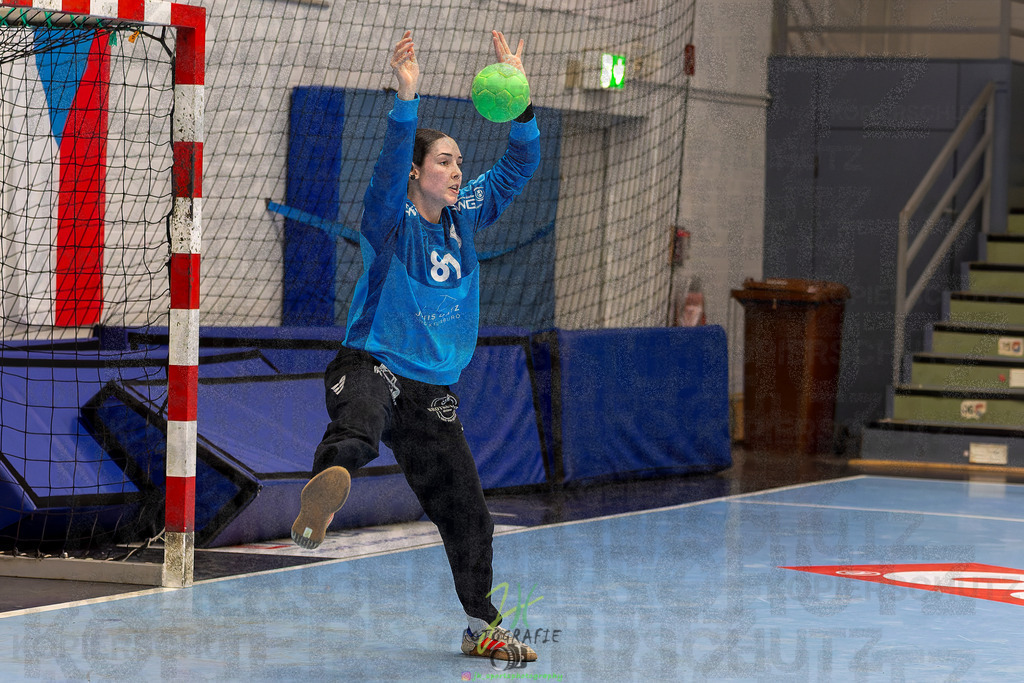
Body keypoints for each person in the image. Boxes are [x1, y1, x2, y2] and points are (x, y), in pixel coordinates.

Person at [290, 29, 541, 663]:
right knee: (361, 423)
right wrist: (407, 100)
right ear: (415, 174)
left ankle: (482, 624)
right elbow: (383, 173)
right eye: (444, 163)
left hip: (433, 390)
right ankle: (329, 482)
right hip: (373, 362)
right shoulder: (390, 219)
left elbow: (518, 167)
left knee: (469, 514)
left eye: (459, 162)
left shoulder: (464, 216)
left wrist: (521, 103)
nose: (457, 172)